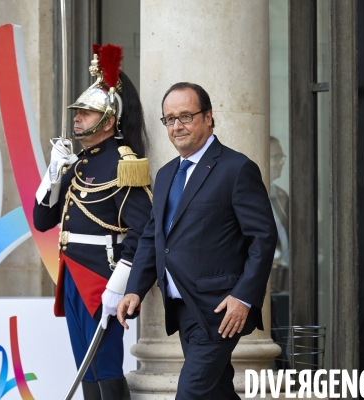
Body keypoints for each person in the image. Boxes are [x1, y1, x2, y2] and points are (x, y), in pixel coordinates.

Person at [117, 82, 278, 399]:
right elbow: (153, 238)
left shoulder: (236, 168)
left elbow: (263, 237)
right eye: (170, 119)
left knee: (190, 393)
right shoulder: (165, 175)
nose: (177, 126)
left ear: (208, 117)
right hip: (181, 309)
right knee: (216, 392)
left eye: (186, 116)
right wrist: (134, 288)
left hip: (220, 309)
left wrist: (243, 297)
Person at [33, 44, 152, 400]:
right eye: (78, 111)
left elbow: (144, 229)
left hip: (103, 277)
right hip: (71, 273)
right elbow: (42, 220)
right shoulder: (79, 163)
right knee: (85, 367)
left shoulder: (123, 163)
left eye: (86, 112)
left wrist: (120, 282)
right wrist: (55, 170)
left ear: (109, 120)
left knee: (105, 366)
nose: (77, 118)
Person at [269, 136, 289, 292]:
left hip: (286, 277)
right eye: (277, 157)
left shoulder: (282, 195)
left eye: (282, 157)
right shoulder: (248, 194)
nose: (282, 162)